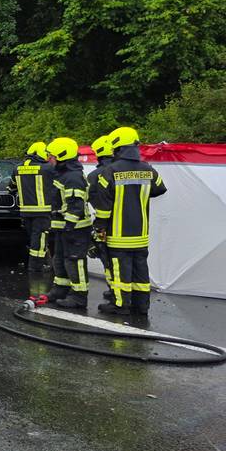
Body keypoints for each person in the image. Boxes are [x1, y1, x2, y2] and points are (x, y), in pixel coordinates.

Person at [90, 127, 167, 317]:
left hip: (118, 235)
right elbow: (160, 189)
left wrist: (99, 232)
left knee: (120, 272)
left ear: (116, 147)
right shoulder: (147, 169)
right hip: (140, 235)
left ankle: (120, 305)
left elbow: (103, 208)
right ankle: (141, 307)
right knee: (141, 272)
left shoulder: (109, 172)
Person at [45, 137, 93, 309]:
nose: (48, 160)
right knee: (60, 259)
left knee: (74, 261)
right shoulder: (64, 175)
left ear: (62, 156)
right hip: (62, 227)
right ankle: (61, 289)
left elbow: (76, 205)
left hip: (75, 229)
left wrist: (69, 225)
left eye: (51, 156)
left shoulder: (72, 177)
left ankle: (79, 297)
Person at [10, 141, 53, 272]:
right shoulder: (47, 168)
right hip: (43, 211)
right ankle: (36, 267)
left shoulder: (18, 168)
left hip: (25, 212)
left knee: (33, 238)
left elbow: (11, 187)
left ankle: (34, 265)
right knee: (39, 241)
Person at [86, 135, 117, 302]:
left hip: (103, 224)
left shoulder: (93, 176)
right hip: (127, 224)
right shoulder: (122, 170)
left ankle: (114, 290)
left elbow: (85, 198)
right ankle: (127, 292)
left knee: (106, 256)